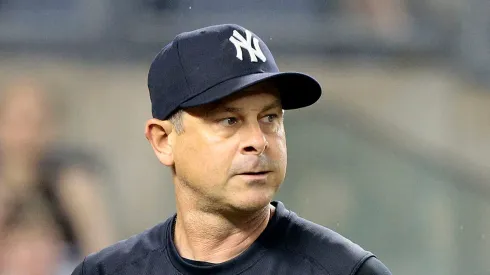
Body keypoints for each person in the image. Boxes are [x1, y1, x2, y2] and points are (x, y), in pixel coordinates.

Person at [71, 24, 392, 274]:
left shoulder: (346, 271)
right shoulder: (107, 272)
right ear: (163, 141)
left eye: (270, 118)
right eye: (229, 120)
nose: (258, 140)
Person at [0, 79, 115, 275]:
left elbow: (106, 258)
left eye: (37, 124)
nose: (26, 135)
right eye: (16, 122)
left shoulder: (71, 185)